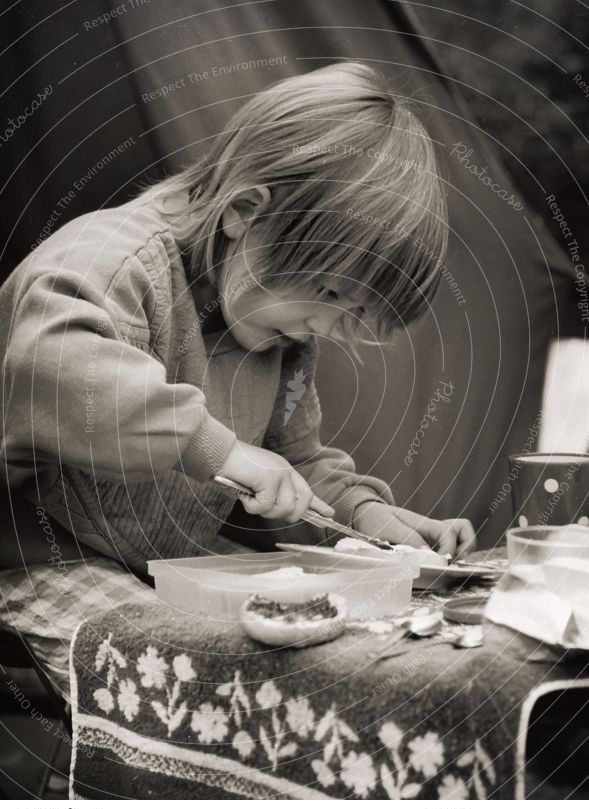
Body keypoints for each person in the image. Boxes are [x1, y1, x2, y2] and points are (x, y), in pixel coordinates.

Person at [0, 63, 474, 695]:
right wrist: (220, 450)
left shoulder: (278, 327)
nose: (324, 329)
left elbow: (288, 458)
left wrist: (371, 521)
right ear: (247, 213)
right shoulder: (111, 260)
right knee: (181, 681)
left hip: (166, 565)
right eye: (329, 291)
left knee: (327, 642)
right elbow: (58, 371)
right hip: (35, 556)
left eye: (353, 316)